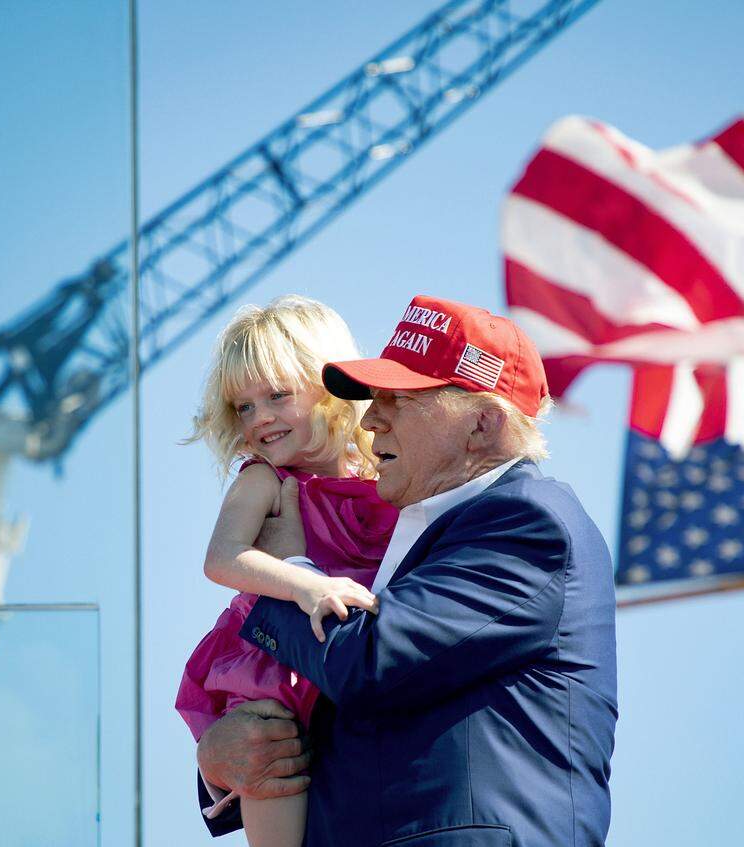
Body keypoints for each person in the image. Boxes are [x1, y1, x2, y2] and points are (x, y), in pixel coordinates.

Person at [197, 294, 619, 846]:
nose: (371, 420)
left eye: (398, 400)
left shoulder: (526, 520)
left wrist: (285, 570)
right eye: (374, 399)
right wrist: (220, 757)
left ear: (482, 425)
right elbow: (323, 697)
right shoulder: (407, 527)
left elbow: (370, 661)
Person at [176, 296, 398, 847]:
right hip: (269, 658)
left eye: (277, 395)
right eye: (244, 407)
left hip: (346, 672)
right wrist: (306, 581)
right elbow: (222, 558)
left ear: (331, 390)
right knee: (273, 761)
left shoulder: (380, 477)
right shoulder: (263, 480)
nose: (261, 419)